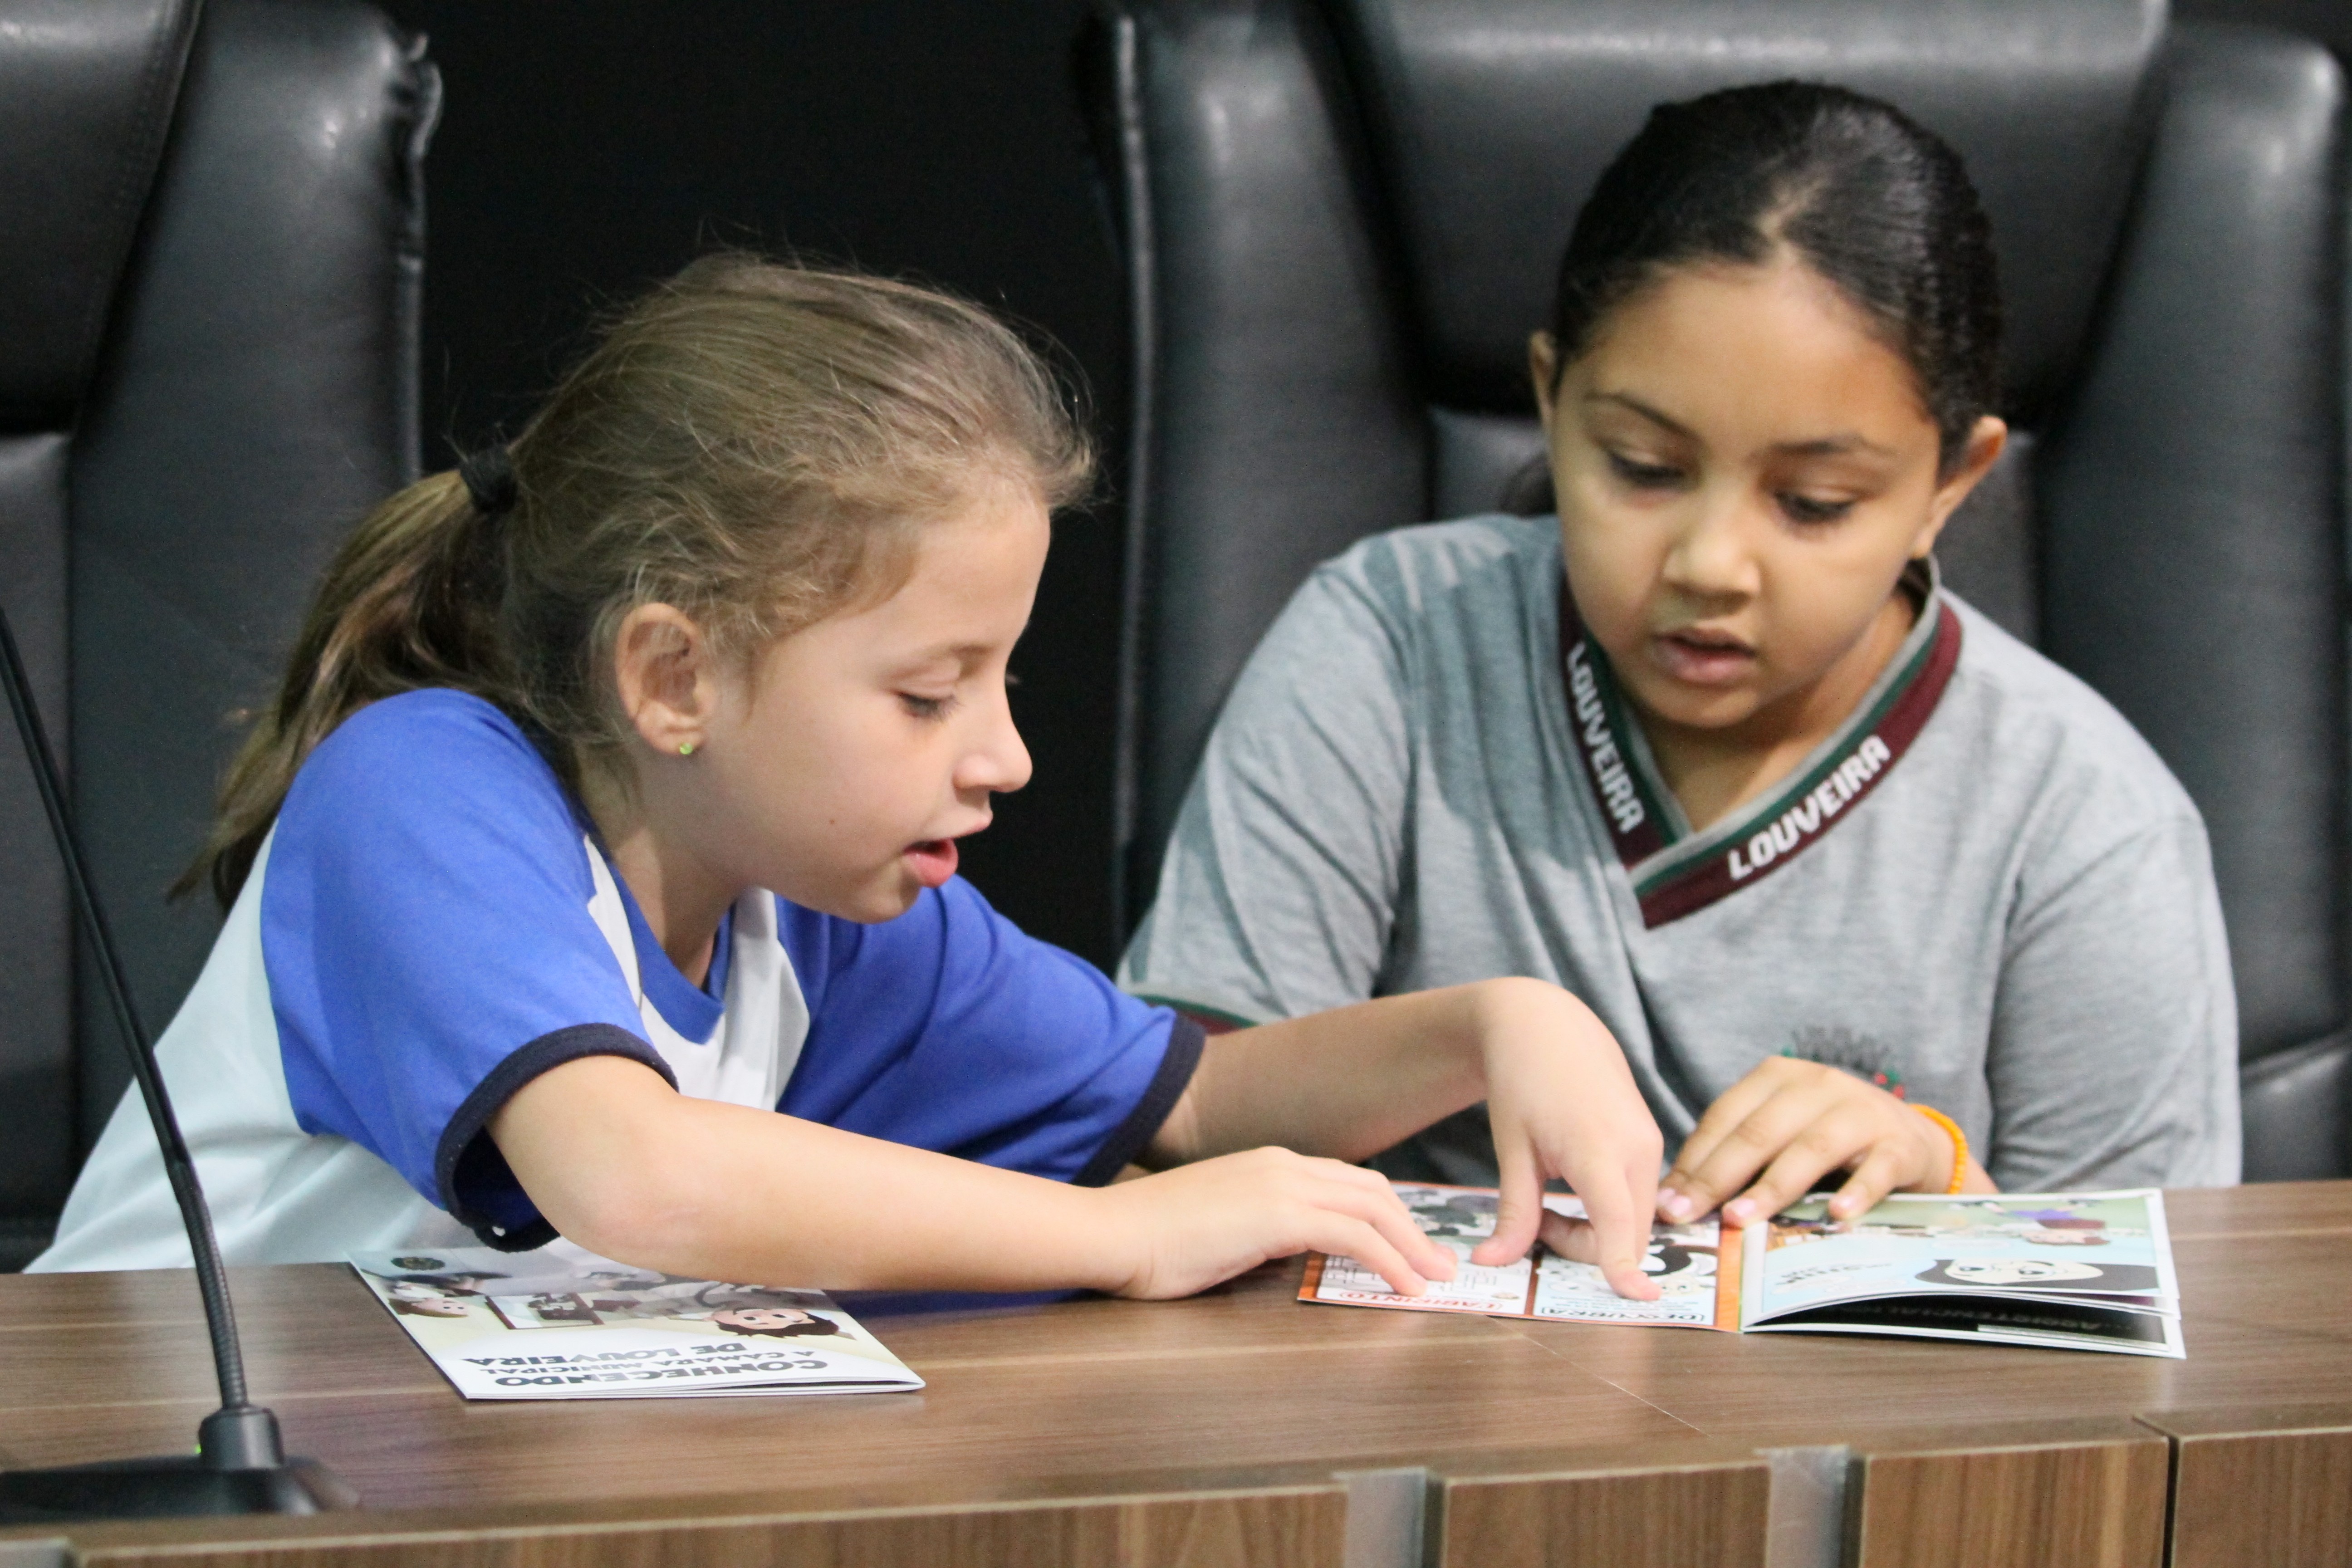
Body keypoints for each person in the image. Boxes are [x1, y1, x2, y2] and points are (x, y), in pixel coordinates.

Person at [31, 256, 1665, 1300]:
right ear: (674, 678)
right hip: (128, 1496)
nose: (1005, 755)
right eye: (929, 692)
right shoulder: (421, 788)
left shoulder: (819, 907)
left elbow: (1201, 1104)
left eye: (1002, 681)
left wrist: (1495, 1025)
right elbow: (632, 1170)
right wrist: (1117, 1235)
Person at [1118, 81, 2240, 1235]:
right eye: (1644, 468)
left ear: (1950, 486)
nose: (1711, 565)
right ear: (1552, 401)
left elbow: (2161, 1302)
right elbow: (1160, 1129)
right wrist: (1464, 1041)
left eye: (1814, 502)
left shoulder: (2085, 815)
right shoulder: (1392, 643)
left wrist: (1943, 1184)